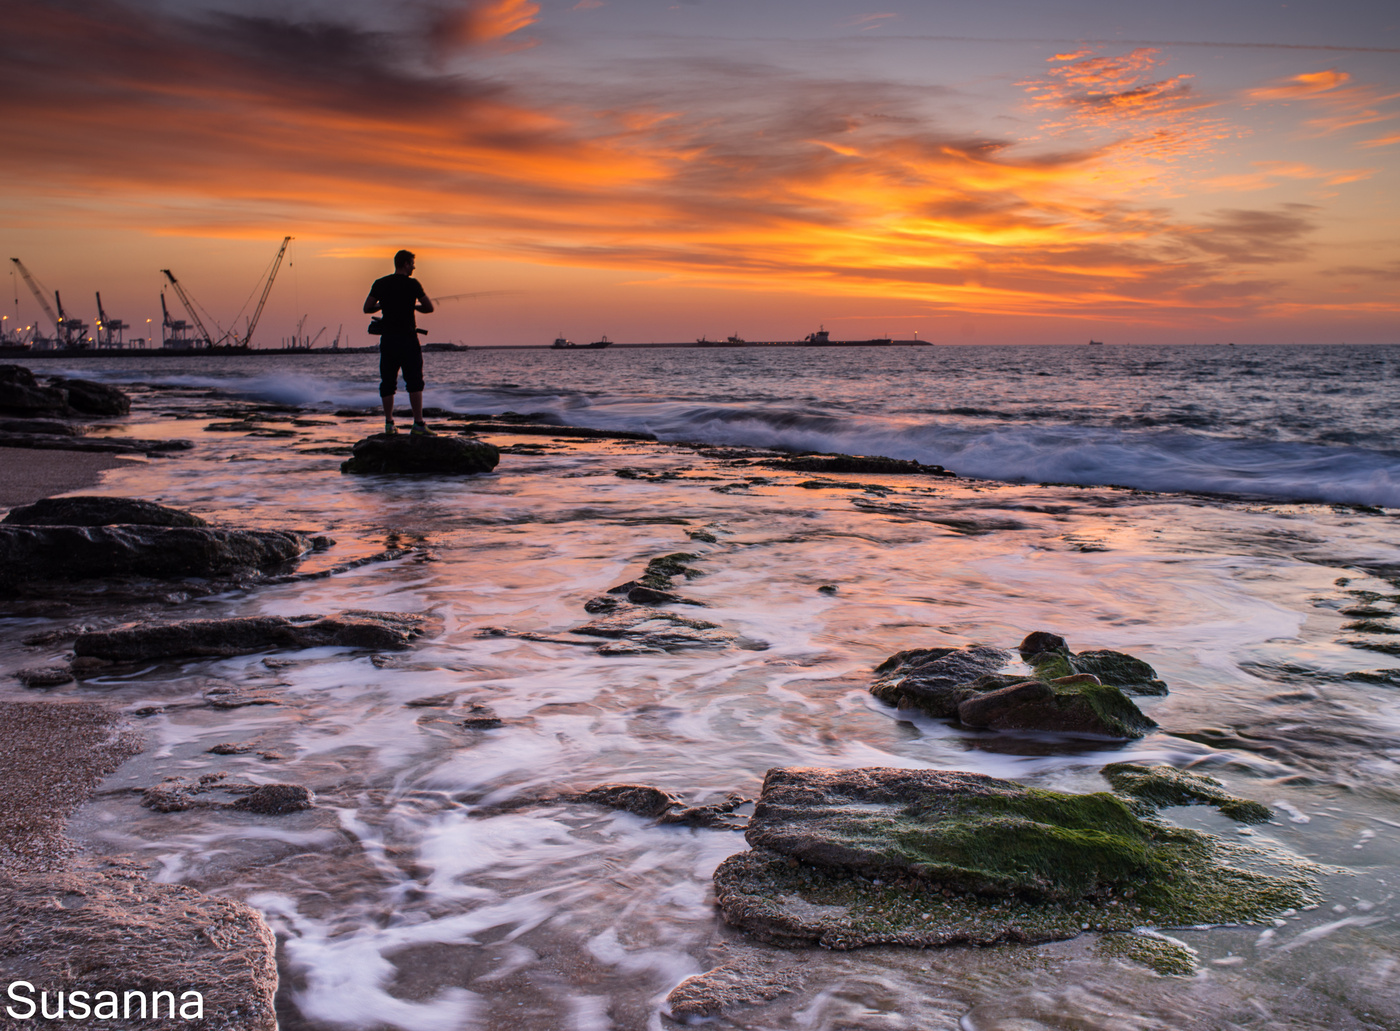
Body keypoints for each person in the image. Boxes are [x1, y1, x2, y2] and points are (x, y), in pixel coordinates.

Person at [364, 249, 435, 436]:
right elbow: (429, 307)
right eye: (412, 263)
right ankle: (418, 424)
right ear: (405, 264)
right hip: (408, 339)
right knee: (415, 381)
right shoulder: (412, 285)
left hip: (388, 340)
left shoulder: (380, 283)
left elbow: (367, 307)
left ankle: (389, 424)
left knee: (387, 382)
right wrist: (412, 306)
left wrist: (384, 305)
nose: (414, 267)